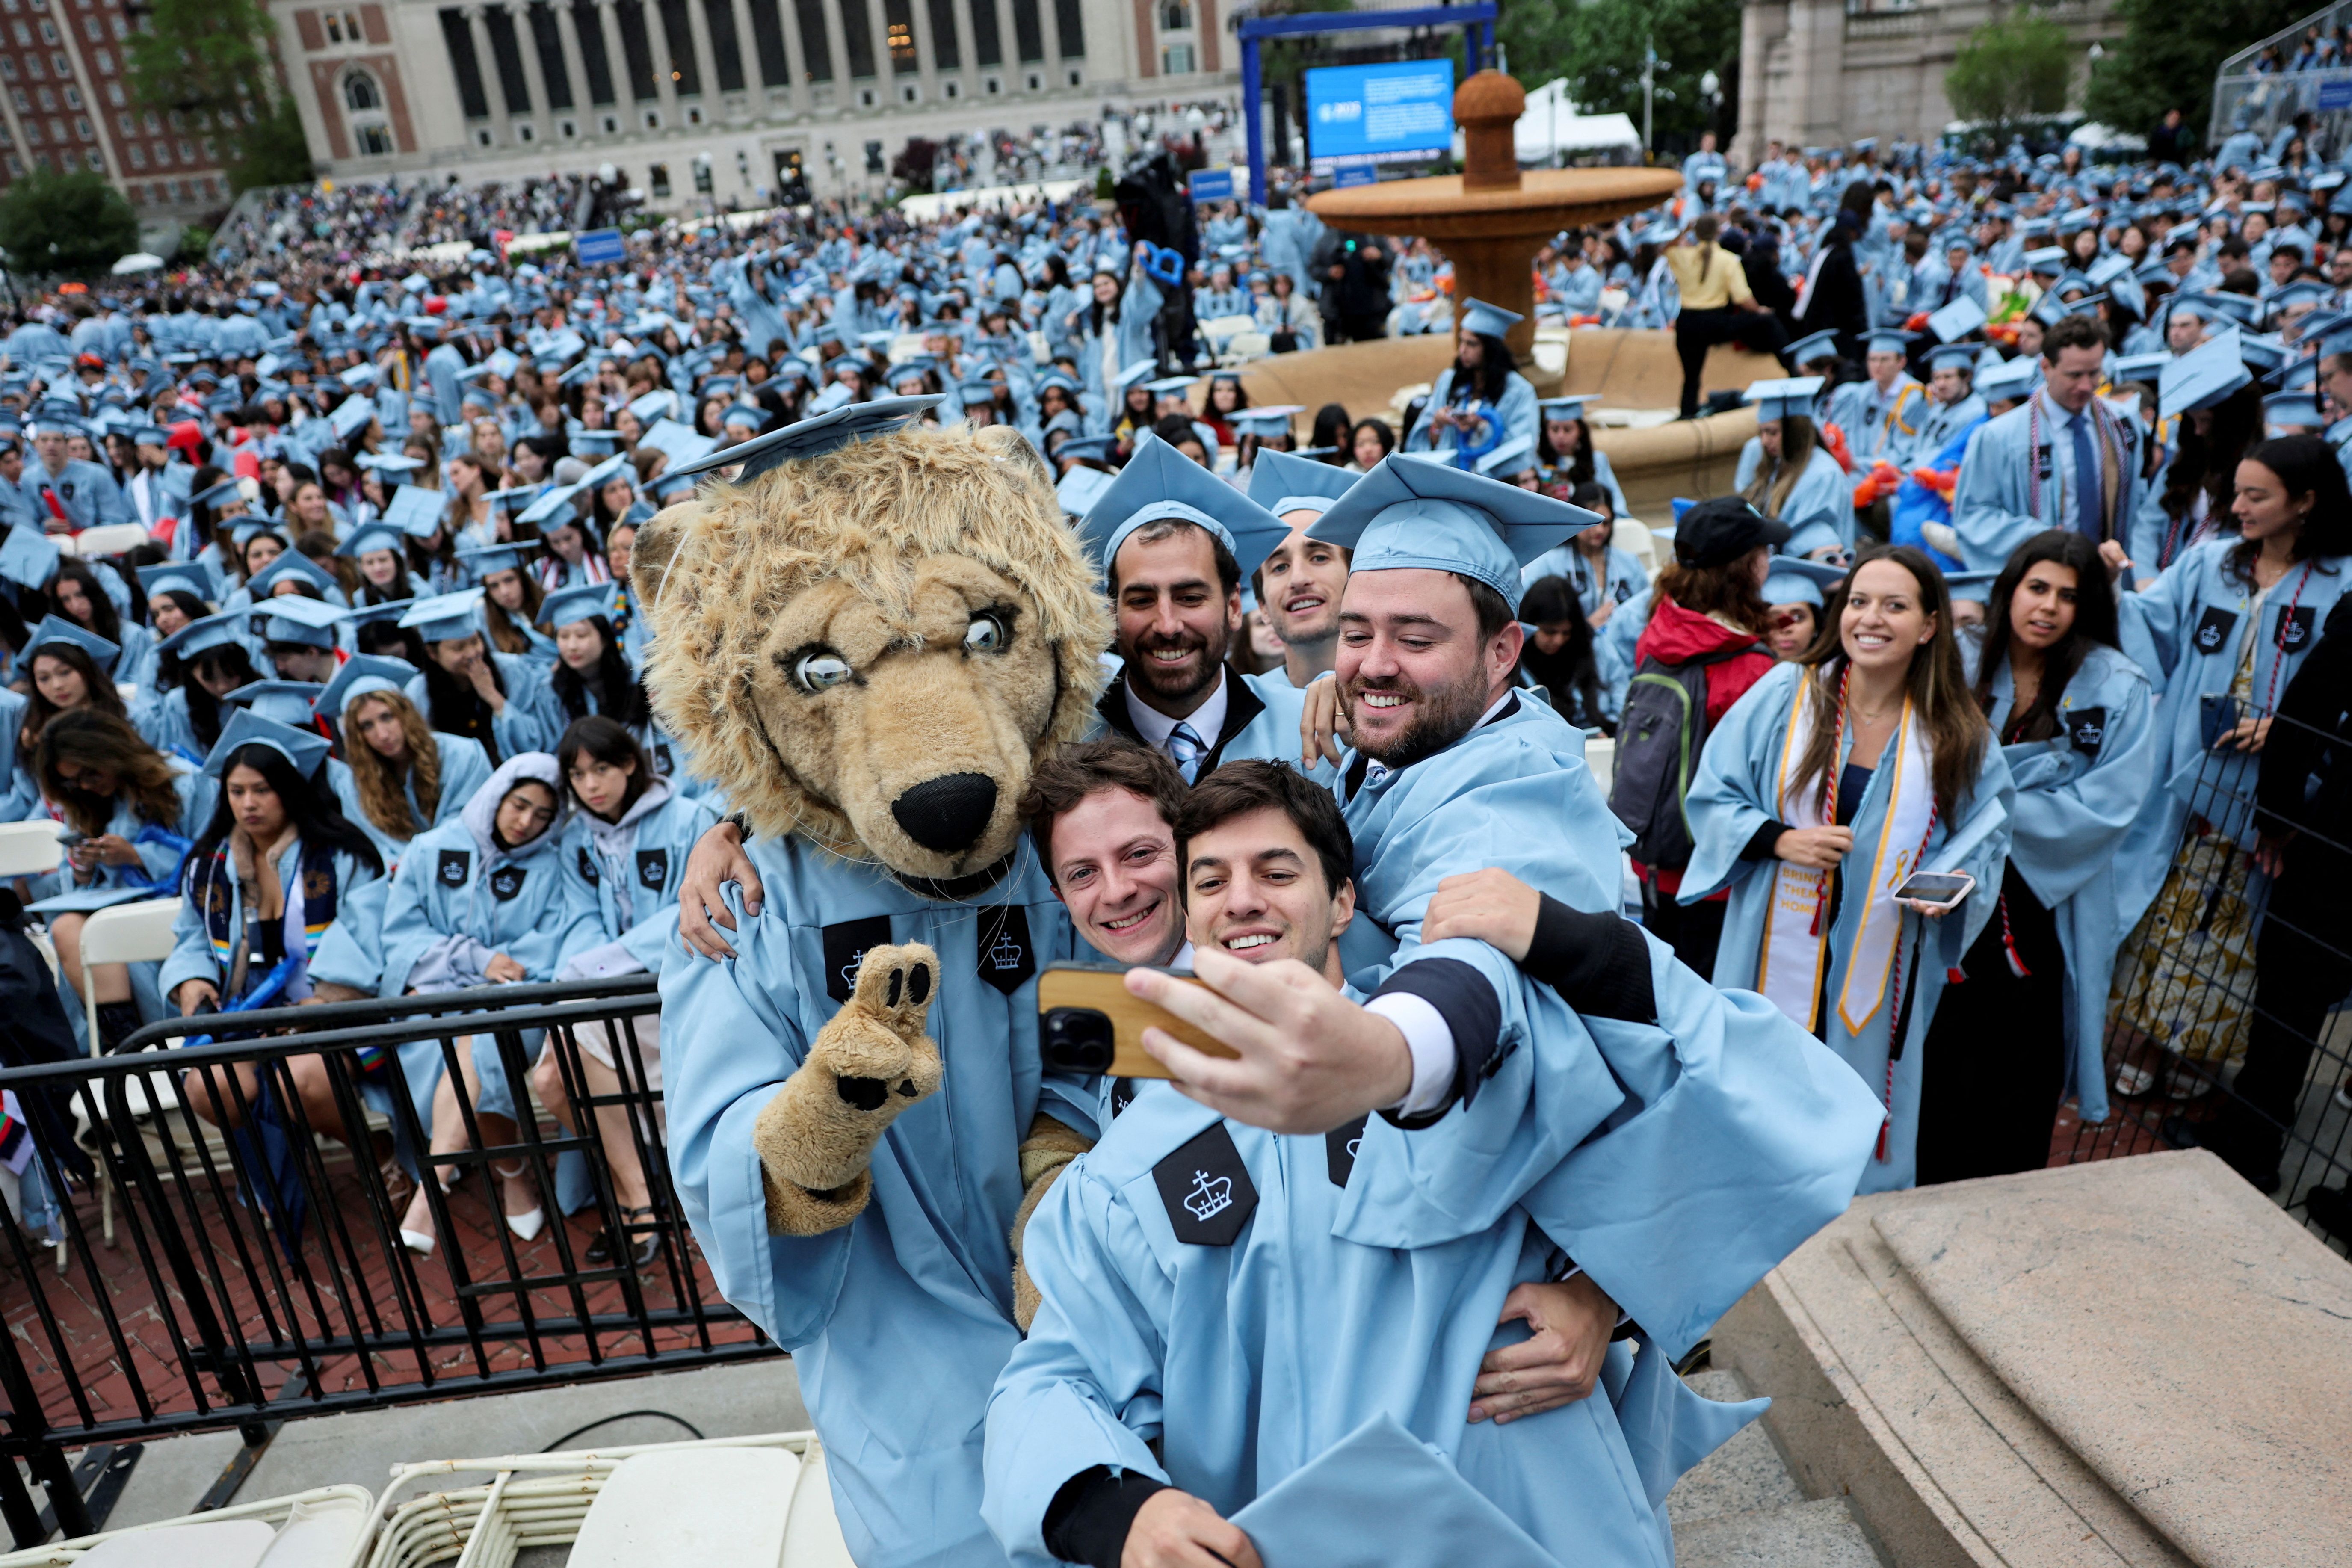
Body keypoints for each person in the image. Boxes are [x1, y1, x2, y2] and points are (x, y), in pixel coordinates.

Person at [985, 758, 1879, 1568]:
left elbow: (1742, 1096)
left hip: (1534, 1526)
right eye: (1211, 880)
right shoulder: (1128, 1170)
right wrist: (1119, 1512)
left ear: (1342, 903)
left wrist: (1607, 1290)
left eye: (1277, 872)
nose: (1241, 899)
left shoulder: (1477, 1052)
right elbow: (1056, 1377)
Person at [1682, 544, 2014, 1191]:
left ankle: (1852, 1212)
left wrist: (1947, 888)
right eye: (1858, 601)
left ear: (1928, 626)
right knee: (1759, 1098)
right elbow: (1712, 796)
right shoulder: (1787, 695)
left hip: (1881, 958)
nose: (1871, 618)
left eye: (1895, 606)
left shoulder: (1956, 732)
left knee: (1854, 1114)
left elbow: (1986, 836)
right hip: (1770, 944)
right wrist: (1779, 840)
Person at [2106, 435, 2352, 1102]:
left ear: (2304, 502)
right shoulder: (2209, 561)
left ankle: (2203, 1051)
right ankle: (2148, 1038)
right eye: (2236, 492)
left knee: (2234, 920)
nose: (2236, 506)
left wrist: (2292, 729)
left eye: (2254, 495)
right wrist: (2113, 582)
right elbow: (2150, 629)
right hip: (2188, 769)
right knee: (2169, 907)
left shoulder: (2341, 580)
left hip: (2274, 787)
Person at [1915, 533, 2155, 1184]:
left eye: (2068, 596)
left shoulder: (2116, 684)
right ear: (2010, 589)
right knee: (1940, 1044)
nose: (2047, 607)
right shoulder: (1958, 658)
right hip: (1945, 882)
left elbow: (2109, 803)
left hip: (2042, 895)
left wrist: (1989, 812)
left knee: (2022, 1048)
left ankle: (2011, 1186)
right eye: (2037, 588)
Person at [376, 753, 590, 1252]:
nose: (526, 822)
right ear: (497, 795)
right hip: (440, 1001)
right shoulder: (432, 850)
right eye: (519, 805)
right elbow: (401, 935)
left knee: (482, 1040)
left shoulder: (552, 866)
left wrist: (493, 975)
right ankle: (514, 1175)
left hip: (515, 1007)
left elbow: (546, 950)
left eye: (543, 815)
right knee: (468, 1048)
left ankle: (432, 1192)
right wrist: (477, 959)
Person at [537, 716, 717, 1267]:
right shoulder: (577, 837)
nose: (590, 785)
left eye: (601, 769)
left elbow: (693, 908)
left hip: (676, 983)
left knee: (560, 1063)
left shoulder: (689, 818)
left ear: (631, 763)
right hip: (606, 985)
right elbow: (579, 916)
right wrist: (590, 969)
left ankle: (637, 1202)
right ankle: (640, 1186)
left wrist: (603, 966)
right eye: (578, 776)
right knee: (549, 1082)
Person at [165, 713, 386, 1143]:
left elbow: (365, 934)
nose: (249, 803)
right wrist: (191, 980)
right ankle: (279, 1172)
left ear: (290, 791)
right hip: (243, 1012)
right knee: (210, 1088)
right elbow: (192, 937)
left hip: (324, 1013)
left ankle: (372, 1152)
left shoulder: (341, 858)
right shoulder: (209, 867)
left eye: (262, 790)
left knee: (302, 1081)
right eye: (237, 791)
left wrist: (325, 1002)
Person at [1594, 498, 1783, 974]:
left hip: (1654, 859)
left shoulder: (1659, 632)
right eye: (1763, 552)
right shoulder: (1752, 667)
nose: (1769, 561)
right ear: (1745, 567)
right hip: (1717, 873)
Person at [1081, 435, 1323, 780]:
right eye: (1142, 601)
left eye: (1190, 598)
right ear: (1112, 615)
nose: (1167, 626)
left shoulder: (1308, 732)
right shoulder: (1070, 744)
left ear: (1234, 606)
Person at [32, 709, 203, 1050]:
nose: (85, 786)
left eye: (90, 773)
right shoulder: (88, 802)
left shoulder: (184, 785)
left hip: (179, 912)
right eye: (73, 781)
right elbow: (78, 879)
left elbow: (212, 858)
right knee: (67, 928)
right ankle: (127, 1041)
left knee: (94, 936)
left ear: (111, 752)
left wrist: (137, 856)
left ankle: (141, 1043)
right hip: (115, 914)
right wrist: (83, 869)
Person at [1950, 314, 2145, 580]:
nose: (2086, 386)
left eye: (2094, 373)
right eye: (2074, 375)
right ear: (2046, 367)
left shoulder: (2122, 425)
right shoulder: (1999, 437)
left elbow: (2139, 503)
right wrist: (2041, 538)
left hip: (2106, 581)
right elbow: (1974, 517)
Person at [320, 655, 494, 865]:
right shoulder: (354, 786)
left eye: (387, 717)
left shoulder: (463, 755)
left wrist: (419, 855)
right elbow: (376, 844)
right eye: (367, 726)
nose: (382, 735)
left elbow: (472, 820)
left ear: (405, 714)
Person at [399, 589, 557, 763]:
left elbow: (537, 738)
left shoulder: (512, 670)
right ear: (433, 654)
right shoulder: (418, 693)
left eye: (475, 642)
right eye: (459, 648)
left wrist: (492, 696)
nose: (472, 653)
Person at [1243, 448, 1354, 690]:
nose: (1298, 579)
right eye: (1280, 567)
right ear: (1262, 606)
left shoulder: (1412, 704)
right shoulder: (1238, 707)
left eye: (1319, 558)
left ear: (1356, 581)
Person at [1667, 216, 1787, 420]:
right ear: (1717, 233)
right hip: (1714, 323)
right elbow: (1743, 298)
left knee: (1691, 377)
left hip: (1687, 323)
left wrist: (1684, 231)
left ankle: (1687, 413)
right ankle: (1792, 366)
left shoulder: (1684, 255)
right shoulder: (1727, 260)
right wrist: (1760, 310)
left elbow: (1666, 248)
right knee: (1767, 322)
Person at [1402, 300, 1538, 463]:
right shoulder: (1449, 380)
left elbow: (1522, 448)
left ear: (1491, 349)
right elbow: (1421, 446)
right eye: (1462, 341)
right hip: (1449, 473)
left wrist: (1481, 427)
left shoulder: (1519, 390)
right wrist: (1438, 424)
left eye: (1472, 344)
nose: (1463, 350)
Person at [1740, 379, 1850, 531]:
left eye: (1772, 433)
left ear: (1795, 431)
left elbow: (1812, 536)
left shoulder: (1824, 476)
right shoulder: (1777, 464)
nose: (1765, 441)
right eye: (1762, 432)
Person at [1513, 576, 1607, 731]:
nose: (1558, 641)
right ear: (1529, 624)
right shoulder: (1513, 660)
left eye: (1566, 633)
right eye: (1550, 632)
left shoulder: (1588, 647)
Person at [1530, 396, 1629, 516]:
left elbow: (1617, 504)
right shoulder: (1536, 464)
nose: (1561, 436)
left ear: (1580, 431)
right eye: (1555, 430)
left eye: (1568, 430)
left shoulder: (1597, 460)